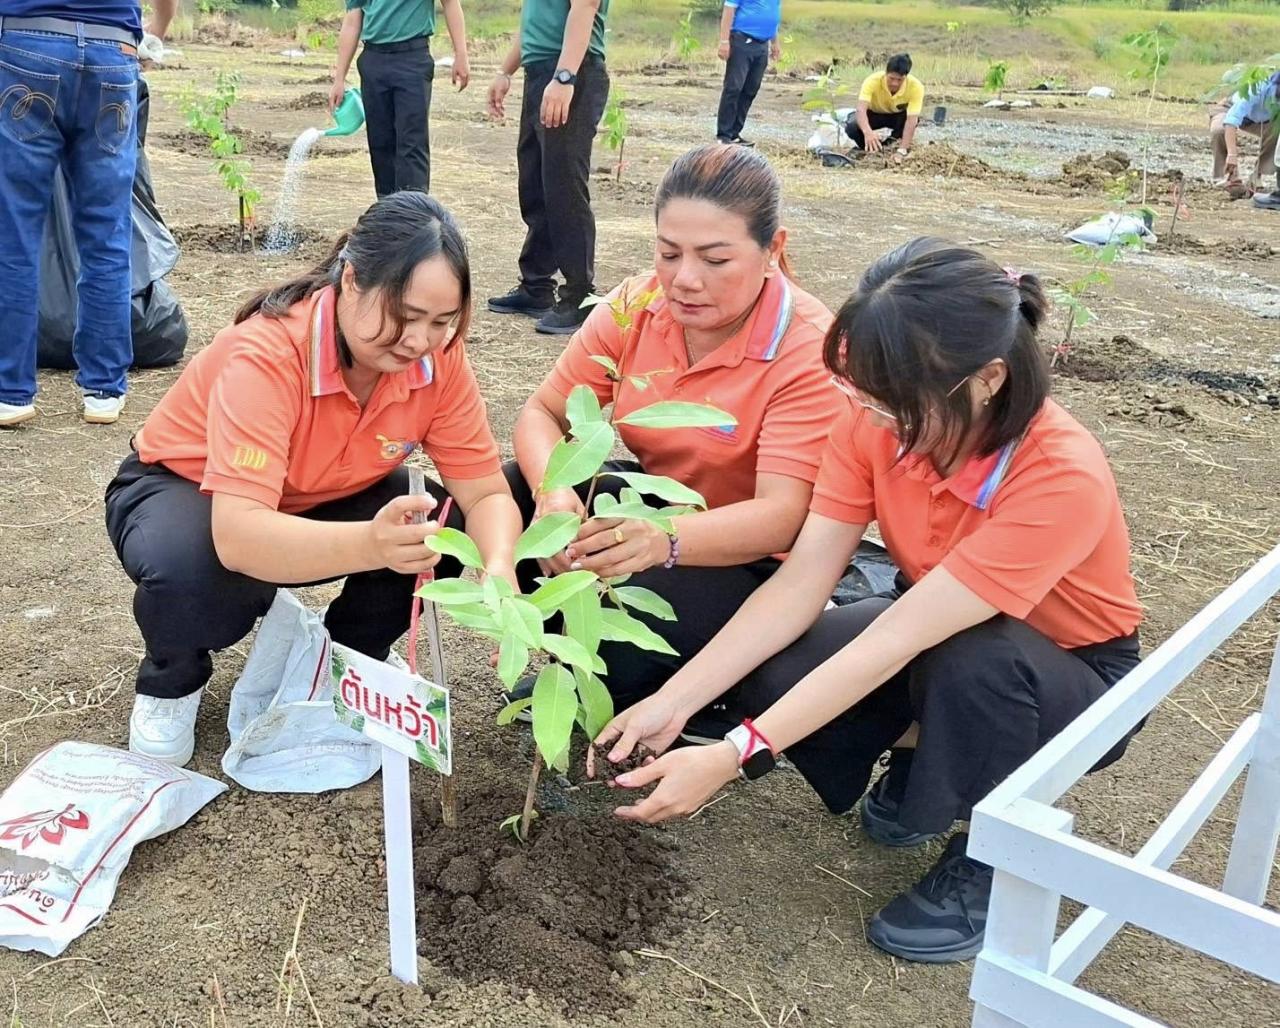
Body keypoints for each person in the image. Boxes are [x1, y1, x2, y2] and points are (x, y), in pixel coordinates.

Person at [594, 239, 1143, 965]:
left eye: (895, 402)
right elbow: (802, 582)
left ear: (987, 380)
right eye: (864, 393)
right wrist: (679, 700)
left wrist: (736, 755)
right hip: (936, 630)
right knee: (776, 676)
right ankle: (933, 765)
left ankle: (993, 858)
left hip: (1070, 679)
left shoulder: (1058, 475)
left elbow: (897, 640)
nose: (873, 418)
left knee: (978, 659)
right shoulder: (873, 421)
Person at [105, 194, 521, 767]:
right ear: (350, 279)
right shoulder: (270, 353)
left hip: (320, 493)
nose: (418, 341)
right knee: (193, 568)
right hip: (186, 490)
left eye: (441, 323)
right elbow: (239, 536)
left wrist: (498, 565)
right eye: (403, 316)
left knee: (441, 522)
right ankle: (170, 681)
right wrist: (371, 543)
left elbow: (486, 491)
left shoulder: (437, 361)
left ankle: (343, 660)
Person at [504, 144, 838, 711]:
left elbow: (783, 518)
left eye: (714, 259)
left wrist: (663, 542)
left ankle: (649, 681)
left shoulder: (808, 348)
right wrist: (554, 496)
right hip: (655, 512)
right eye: (668, 252)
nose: (684, 280)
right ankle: (593, 667)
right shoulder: (637, 305)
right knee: (505, 495)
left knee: (637, 603)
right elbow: (543, 413)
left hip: (750, 562)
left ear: (772, 250)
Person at [0, 0, 177, 428]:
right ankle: (103, 390)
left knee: (16, 231)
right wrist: (156, 28)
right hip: (113, 50)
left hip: (27, 43)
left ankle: (10, 392)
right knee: (106, 233)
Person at [486, 0, 612, 336]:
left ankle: (579, 295)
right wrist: (505, 71)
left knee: (563, 186)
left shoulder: (568, 74)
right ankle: (536, 287)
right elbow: (534, 22)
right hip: (542, 71)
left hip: (572, 71)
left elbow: (584, 6)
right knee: (536, 183)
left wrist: (565, 77)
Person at [331, 0, 470, 198]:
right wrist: (339, 78)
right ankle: (388, 212)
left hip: (412, 58)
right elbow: (353, 19)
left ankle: (413, 214)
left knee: (412, 142)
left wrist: (461, 54)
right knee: (380, 143)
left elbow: (450, 3)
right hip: (373, 59)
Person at [714, 0, 781, 147]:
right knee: (734, 87)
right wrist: (724, 41)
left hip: (762, 44)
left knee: (751, 88)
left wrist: (775, 42)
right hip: (742, 40)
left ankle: (735, 133)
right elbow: (728, 10)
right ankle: (724, 134)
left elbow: (772, 16)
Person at [1211, 70, 1279, 197]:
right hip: (1229, 109)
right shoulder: (1258, 87)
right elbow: (1231, 120)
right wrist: (1232, 155)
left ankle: (1257, 176)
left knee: (1278, 129)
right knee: (1219, 130)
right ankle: (1225, 175)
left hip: (1261, 120)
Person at [845, 53, 924, 159]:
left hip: (896, 117)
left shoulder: (916, 87)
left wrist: (902, 150)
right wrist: (868, 133)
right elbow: (861, 110)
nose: (895, 83)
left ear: (906, 76)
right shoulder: (872, 81)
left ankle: (890, 147)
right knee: (852, 125)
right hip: (873, 114)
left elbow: (911, 120)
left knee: (913, 119)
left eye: (899, 80)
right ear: (886, 73)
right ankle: (869, 147)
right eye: (891, 78)